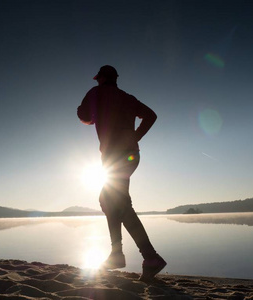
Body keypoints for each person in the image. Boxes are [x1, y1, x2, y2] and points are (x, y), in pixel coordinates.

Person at [77, 65, 166, 281]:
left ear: (100, 79)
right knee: (113, 202)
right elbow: (151, 116)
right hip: (131, 155)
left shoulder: (95, 92)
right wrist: (136, 137)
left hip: (115, 157)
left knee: (114, 202)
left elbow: (83, 115)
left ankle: (144, 256)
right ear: (115, 80)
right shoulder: (127, 98)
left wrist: (90, 113)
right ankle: (125, 254)